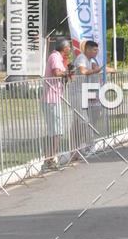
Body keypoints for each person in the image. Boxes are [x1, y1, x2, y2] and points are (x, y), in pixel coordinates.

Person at [42, 38, 74, 170]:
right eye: (69, 47)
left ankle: (50, 158)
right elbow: (56, 73)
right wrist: (67, 72)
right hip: (51, 100)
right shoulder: (55, 57)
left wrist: (68, 73)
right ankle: (49, 159)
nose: (70, 49)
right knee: (55, 131)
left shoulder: (60, 58)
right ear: (64, 48)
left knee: (55, 131)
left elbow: (63, 76)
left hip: (55, 99)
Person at [71, 40, 103, 160]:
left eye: (97, 50)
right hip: (77, 93)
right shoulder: (81, 58)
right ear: (88, 49)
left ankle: (78, 147)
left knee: (79, 122)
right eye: (94, 50)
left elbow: (95, 68)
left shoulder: (90, 60)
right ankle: (89, 146)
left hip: (84, 93)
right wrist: (94, 71)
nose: (96, 52)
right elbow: (82, 71)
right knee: (83, 121)